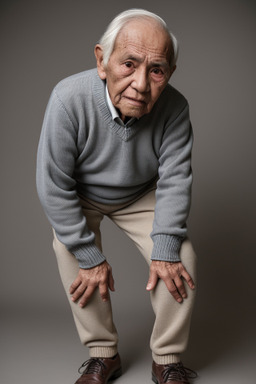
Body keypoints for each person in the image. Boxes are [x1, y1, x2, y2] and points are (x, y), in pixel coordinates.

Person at [36, 8, 198, 384]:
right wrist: (88, 255)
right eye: (129, 64)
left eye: (156, 70)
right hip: (82, 194)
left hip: (140, 195)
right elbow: (53, 184)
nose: (141, 84)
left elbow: (175, 179)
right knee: (69, 248)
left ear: (169, 73)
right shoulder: (67, 98)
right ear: (102, 61)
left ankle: (167, 359)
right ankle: (103, 353)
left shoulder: (175, 108)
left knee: (180, 254)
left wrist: (166, 248)